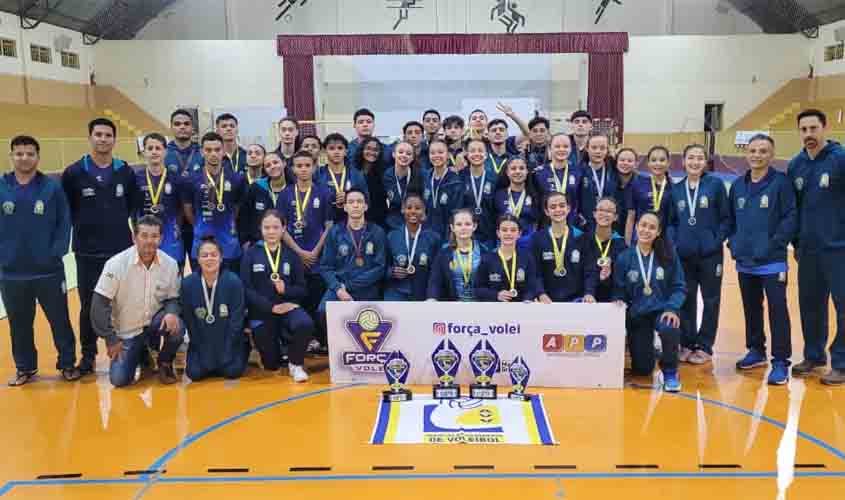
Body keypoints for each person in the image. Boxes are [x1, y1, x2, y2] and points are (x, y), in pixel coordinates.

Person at [62, 117, 139, 376]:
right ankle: (88, 356)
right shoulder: (73, 173)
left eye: (108, 135)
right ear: (90, 137)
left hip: (120, 251)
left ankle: (133, 352)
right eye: (98, 134)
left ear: (114, 140)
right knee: (89, 306)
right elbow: (68, 210)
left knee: (125, 304)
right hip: (87, 252)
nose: (103, 139)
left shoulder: (124, 171)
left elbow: (131, 207)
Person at [1, 135, 79, 385]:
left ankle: (67, 364)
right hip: (12, 272)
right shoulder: (2, 186)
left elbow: (64, 222)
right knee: (19, 323)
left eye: (29, 153)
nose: (24, 158)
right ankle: (25, 368)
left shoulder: (51, 187)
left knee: (60, 320)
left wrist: (54, 253)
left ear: (37, 156)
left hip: (49, 271)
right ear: (11, 155)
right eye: (19, 153)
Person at [728, 134, 797, 385]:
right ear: (746, 153)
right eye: (753, 150)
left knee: (778, 310)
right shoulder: (737, 186)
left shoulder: (781, 183)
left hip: (773, 261)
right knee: (751, 308)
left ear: (772, 155)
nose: (757, 155)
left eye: (763, 151)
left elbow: (790, 217)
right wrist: (734, 243)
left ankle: (781, 361)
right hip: (745, 261)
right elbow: (731, 220)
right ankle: (756, 350)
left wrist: (775, 244)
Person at [787, 109, 845, 385]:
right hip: (808, 250)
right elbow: (793, 208)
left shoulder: (840, 160)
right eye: (804, 130)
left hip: (839, 248)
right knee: (810, 305)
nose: (809, 135)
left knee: (843, 306)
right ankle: (814, 355)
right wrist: (796, 243)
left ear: (825, 128)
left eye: (813, 128)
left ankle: (842, 363)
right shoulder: (795, 165)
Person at [91, 216, 183, 387]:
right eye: (144, 235)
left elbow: (173, 298)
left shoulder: (170, 264)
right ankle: (142, 353)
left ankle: (164, 361)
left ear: (161, 238)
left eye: (154, 236)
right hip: (127, 332)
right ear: (134, 238)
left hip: (154, 326)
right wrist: (111, 339)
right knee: (119, 380)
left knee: (177, 328)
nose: (149, 241)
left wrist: (171, 312)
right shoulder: (116, 264)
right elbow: (99, 305)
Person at [668, 144, 729, 365]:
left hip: (710, 255)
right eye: (690, 158)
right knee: (686, 299)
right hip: (684, 255)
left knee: (711, 300)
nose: (695, 162)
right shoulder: (676, 189)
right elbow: (671, 222)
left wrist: (715, 241)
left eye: (699, 158)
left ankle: (704, 346)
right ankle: (687, 342)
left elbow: (726, 219)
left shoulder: (715, 185)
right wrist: (675, 243)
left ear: (706, 162)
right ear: (683, 161)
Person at [612, 212, 686, 392]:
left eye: (652, 227)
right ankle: (651, 351)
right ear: (636, 227)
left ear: (658, 232)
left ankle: (670, 371)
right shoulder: (624, 258)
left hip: (661, 310)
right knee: (643, 369)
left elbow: (679, 286)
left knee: (670, 325)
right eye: (643, 225)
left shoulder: (668, 255)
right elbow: (618, 289)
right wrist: (619, 301)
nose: (646, 230)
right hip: (638, 315)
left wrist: (672, 308)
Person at [241, 210, 313, 382]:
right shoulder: (250, 254)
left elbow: (302, 289)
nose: (271, 231)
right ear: (261, 229)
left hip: (287, 308)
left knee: (304, 323)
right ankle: (275, 348)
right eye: (267, 227)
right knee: (271, 364)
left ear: (284, 229)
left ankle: (295, 364)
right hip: (263, 312)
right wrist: (270, 307)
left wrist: (286, 291)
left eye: (276, 227)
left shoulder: (291, 256)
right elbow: (246, 288)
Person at [280, 151, 335, 354]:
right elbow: (281, 227)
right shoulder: (286, 194)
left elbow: (329, 226)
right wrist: (300, 252)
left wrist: (314, 251)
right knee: (296, 299)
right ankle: (300, 341)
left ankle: (320, 340)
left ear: (314, 167)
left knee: (315, 297)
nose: (303, 169)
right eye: (299, 165)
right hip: (294, 256)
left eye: (307, 165)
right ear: (292, 169)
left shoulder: (324, 193)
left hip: (318, 257)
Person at [181, 236, 248, 381]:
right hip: (202, 343)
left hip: (227, 342)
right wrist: (203, 351)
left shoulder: (233, 282)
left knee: (232, 372)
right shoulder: (187, 284)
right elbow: (190, 321)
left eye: (214, 255)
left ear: (221, 258)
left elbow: (236, 321)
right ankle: (205, 359)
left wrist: (227, 351)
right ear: (197, 259)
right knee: (194, 373)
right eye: (204, 255)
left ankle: (240, 351)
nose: (209, 259)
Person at [182, 132, 246, 274]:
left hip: (229, 244)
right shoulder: (191, 179)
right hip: (201, 243)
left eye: (217, 150)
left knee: (229, 285)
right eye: (208, 150)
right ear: (201, 152)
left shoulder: (236, 179)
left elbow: (237, 208)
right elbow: (188, 210)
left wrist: (227, 222)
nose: (213, 154)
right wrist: (199, 225)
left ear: (223, 151)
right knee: (203, 288)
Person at [319, 189, 386, 311]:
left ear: (366, 206)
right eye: (351, 202)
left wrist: (349, 286)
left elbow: (380, 267)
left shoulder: (377, 232)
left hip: (367, 287)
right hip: (340, 287)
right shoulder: (334, 232)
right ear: (344, 207)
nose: (355, 205)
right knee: (323, 311)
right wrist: (338, 288)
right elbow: (325, 267)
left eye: (359, 202)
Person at [532, 192, 597, 303]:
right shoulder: (538, 239)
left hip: (576, 300)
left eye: (562, 206)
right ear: (547, 212)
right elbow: (535, 271)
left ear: (568, 208)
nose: (558, 210)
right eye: (553, 207)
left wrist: (589, 293)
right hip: (547, 301)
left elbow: (589, 270)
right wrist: (540, 293)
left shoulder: (581, 237)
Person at [135, 133, 185, 273]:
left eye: (158, 148)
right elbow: (132, 209)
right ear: (143, 151)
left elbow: (182, 208)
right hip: (145, 237)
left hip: (170, 238)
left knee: (174, 282)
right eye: (150, 148)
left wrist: (176, 228)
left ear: (165, 151)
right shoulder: (136, 178)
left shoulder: (176, 179)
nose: (154, 152)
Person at [384, 194, 441, 301]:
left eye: (418, 208)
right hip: (396, 293)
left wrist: (432, 296)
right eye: (409, 208)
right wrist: (391, 271)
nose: (413, 211)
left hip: (422, 293)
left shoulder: (434, 238)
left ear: (424, 211)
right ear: (402, 210)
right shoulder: (392, 236)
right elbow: (383, 265)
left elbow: (437, 271)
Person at [475, 214, 540, 302]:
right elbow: (478, 289)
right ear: (498, 233)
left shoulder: (527, 258)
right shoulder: (487, 259)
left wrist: (528, 299)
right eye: (504, 230)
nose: (508, 233)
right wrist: (496, 295)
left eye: (513, 230)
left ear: (519, 234)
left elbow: (532, 286)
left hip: (521, 309)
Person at [165, 109, 201, 262]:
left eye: (186, 124)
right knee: (172, 268)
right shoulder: (164, 153)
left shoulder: (202, 152)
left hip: (198, 219)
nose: (182, 127)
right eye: (177, 124)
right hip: (172, 220)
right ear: (171, 127)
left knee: (199, 265)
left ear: (192, 128)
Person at [427, 209, 485, 302]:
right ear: (452, 227)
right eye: (459, 224)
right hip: (453, 306)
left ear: (474, 226)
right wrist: (432, 298)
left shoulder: (484, 251)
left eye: (467, 224)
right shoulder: (444, 253)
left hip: (479, 305)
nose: (463, 228)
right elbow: (435, 280)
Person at [315, 132, 369, 223]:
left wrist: (349, 198)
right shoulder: (318, 174)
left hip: (351, 224)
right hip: (325, 224)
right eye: (331, 148)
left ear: (346, 151)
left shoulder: (357, 175)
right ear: (324, 152)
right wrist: (330, 198)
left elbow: (367, 201)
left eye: (340, 148)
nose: (336, 152)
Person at [535, 133, 584, 227]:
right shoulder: (538, 173)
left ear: (571, 149)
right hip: (547, 226)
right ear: (550, 149)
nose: (561, 149)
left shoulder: (578, 172)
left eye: (566, 146)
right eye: (557, 146)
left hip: (572, 225)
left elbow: (581, 200)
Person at [239, 152, 287, 246]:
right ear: (264, 169)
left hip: (287, 246)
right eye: (268, 165)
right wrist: (245, 242)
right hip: (259, 245)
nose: (272, 166)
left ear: (284, 163)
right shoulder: (256, 188)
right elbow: (243, 217)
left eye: (275, 162)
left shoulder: (294, 187)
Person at [626, 146, 672, 244]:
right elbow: (631, 217)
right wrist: (627, 243)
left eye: (662, 160)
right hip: (640, 237)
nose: (658, 163)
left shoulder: (674, 187)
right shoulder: (638, 183)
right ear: (648, 163)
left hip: (663, 239)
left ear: (668, 163)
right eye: (653, 160)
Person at [422, 139, 463, 240]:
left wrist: (452, 235)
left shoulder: (455, 181)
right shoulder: (425, 177)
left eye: (440, 152)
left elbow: (457, 212)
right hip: (427, 233)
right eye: (432, 153)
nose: (436, 156)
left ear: (448, 155)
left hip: (447, 234)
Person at [460, 138, 498, 249]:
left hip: (489, 235)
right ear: (467, 154)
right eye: (472, 151)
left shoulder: (495, 178)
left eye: (480, 150)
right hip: (466, 234)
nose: (476, 154)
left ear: (486, 154)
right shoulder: (460, 177)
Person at [590, 197, 627, 302]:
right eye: (601, 210)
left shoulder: (621, 245)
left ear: (615, 217)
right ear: (594, 214)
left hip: (611, 300)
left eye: (609, 211)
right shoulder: (583, 241)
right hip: (587, 298)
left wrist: (617, 297)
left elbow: (621, 277)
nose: (604, 214)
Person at [494, 156, 540, 243]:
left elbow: (537, 222)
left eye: (521, 168)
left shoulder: (534, 195)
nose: (518, 171)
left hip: (528, 243)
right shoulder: (498, 195)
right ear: (507, 172)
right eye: (513, 168)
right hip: (504, 242)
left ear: (527, 171)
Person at [579, 134, 618, 233]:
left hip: (609, 224)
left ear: (607, 150)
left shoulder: (614, 170)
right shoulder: (579, 170)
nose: (598, 151)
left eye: (602, 148)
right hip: (586, 225)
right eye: (594, 147)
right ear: (587, 148)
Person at [383, 140, 423, 232]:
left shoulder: (420, 175)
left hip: (415, 222)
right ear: (393, 154)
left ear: (413, 157)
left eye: (408, 154)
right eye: (400, 152)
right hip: (392, 223)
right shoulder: (386, 175)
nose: (404, 155)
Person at [354, 136, 388, 228]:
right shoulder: (353, 169)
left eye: (376, 150)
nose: (372, 152)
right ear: (362, 150)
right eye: (368, 148)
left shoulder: (384, 171)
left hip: (378, 219)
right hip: (356, 216)